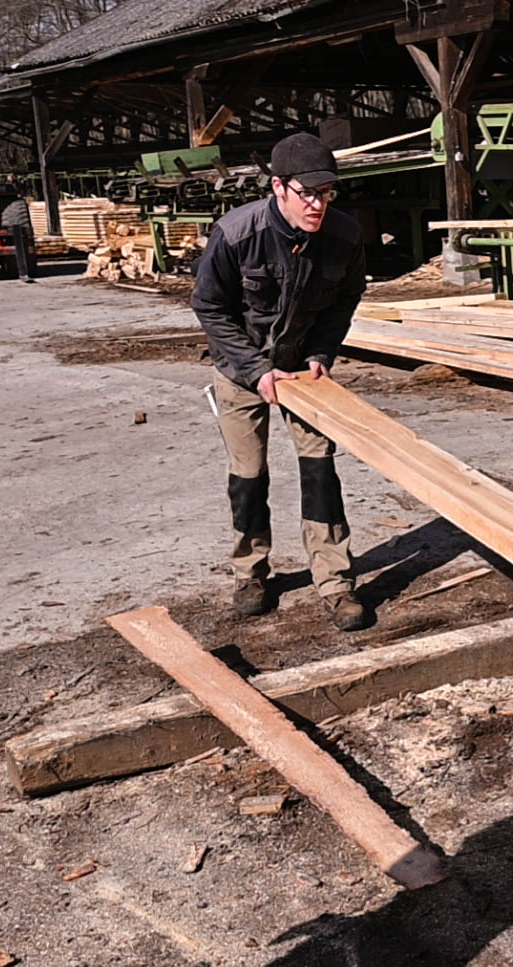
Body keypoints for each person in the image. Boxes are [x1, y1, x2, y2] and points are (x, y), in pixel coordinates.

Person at [191, 132, 369, 630]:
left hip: (303, 371)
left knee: (320, 472)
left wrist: (321, 352)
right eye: (308, 193)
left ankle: (335, 581)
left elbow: (343, 302)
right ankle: (250, 572)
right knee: (248, 475)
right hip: (240, 367)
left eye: (327, 193)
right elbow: (208, 305)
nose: (318, 203)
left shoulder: (344, 235)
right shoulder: (236, 233)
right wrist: (255, 369)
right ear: (278, 187)